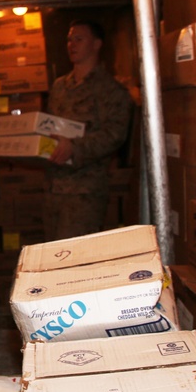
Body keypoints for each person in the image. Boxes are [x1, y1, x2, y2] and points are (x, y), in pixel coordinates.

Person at [45, 19, 134, 241]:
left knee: (75, 258)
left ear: (96, 44)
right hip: (54, 187)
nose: (71, 44)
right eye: (69, 39)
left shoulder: (110, 90)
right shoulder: (59, 87)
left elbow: (115, 135)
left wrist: (75, 148)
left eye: (79, 39)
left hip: (85, 192)